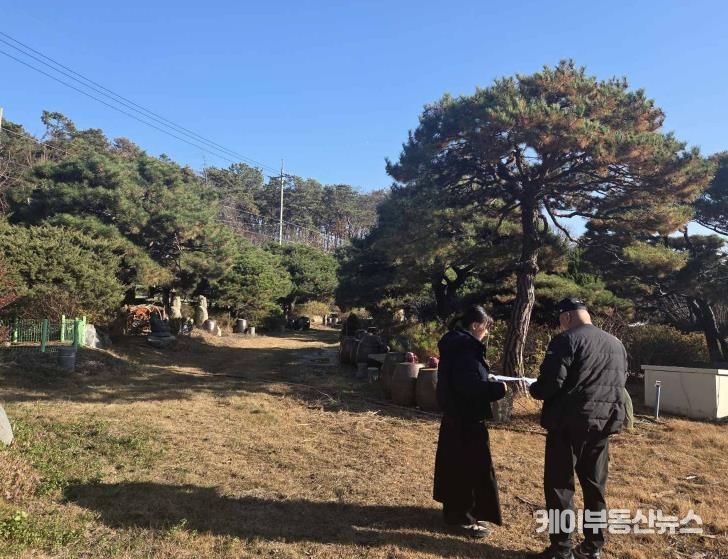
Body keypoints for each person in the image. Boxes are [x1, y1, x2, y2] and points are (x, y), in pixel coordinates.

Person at [528, 298, 627, 559]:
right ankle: (592, 546)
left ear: (567, 317)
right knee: (595, 487)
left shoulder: (566, 340)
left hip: (568, 425)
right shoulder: (616, 344)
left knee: (560, 487)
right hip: (602, 424)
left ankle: (561, 548)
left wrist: (534, 388)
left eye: (561, 320)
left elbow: (550, 384)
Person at [433, 305, 508, 538]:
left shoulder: (454, 343)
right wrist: (497, 389)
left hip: (455, 415)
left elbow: (465, 377)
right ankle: (463, 517)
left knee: (454, 465)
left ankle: (455, 511)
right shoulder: (467, 347)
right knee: (469, 469)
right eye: (485, 327)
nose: (486, 333)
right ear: (475, 325)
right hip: (467, 417)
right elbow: (468, 386)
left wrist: (485, 377)